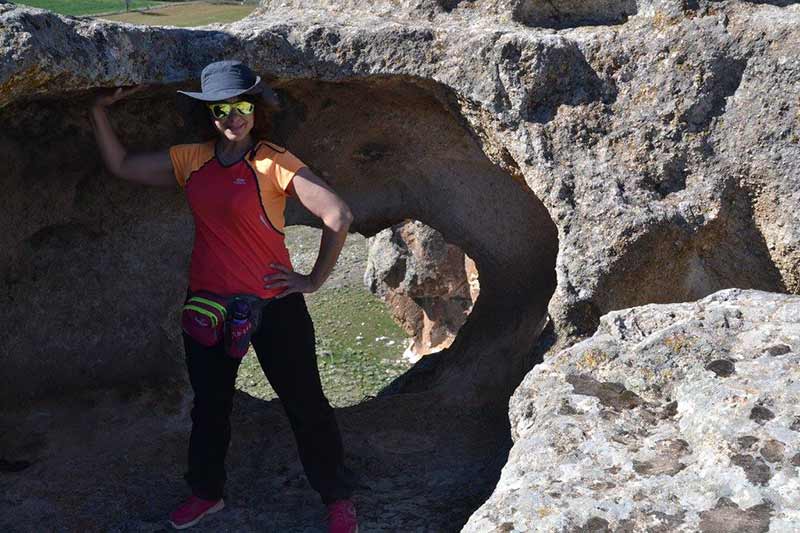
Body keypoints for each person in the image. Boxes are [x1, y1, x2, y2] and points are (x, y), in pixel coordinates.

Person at [90, 60, 358, 532]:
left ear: (254, 108)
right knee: (211, 406)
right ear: (209, 114)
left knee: (306, 405)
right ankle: (206, 493)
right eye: (220, 109)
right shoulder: (192, 160)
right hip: (209, 307)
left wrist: (313, 280)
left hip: (274, 307)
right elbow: (122, 166)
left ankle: (337, 500)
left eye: (240, 106)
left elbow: (338, 214)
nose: (232, 117)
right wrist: (97, 112)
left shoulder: (273, 161)